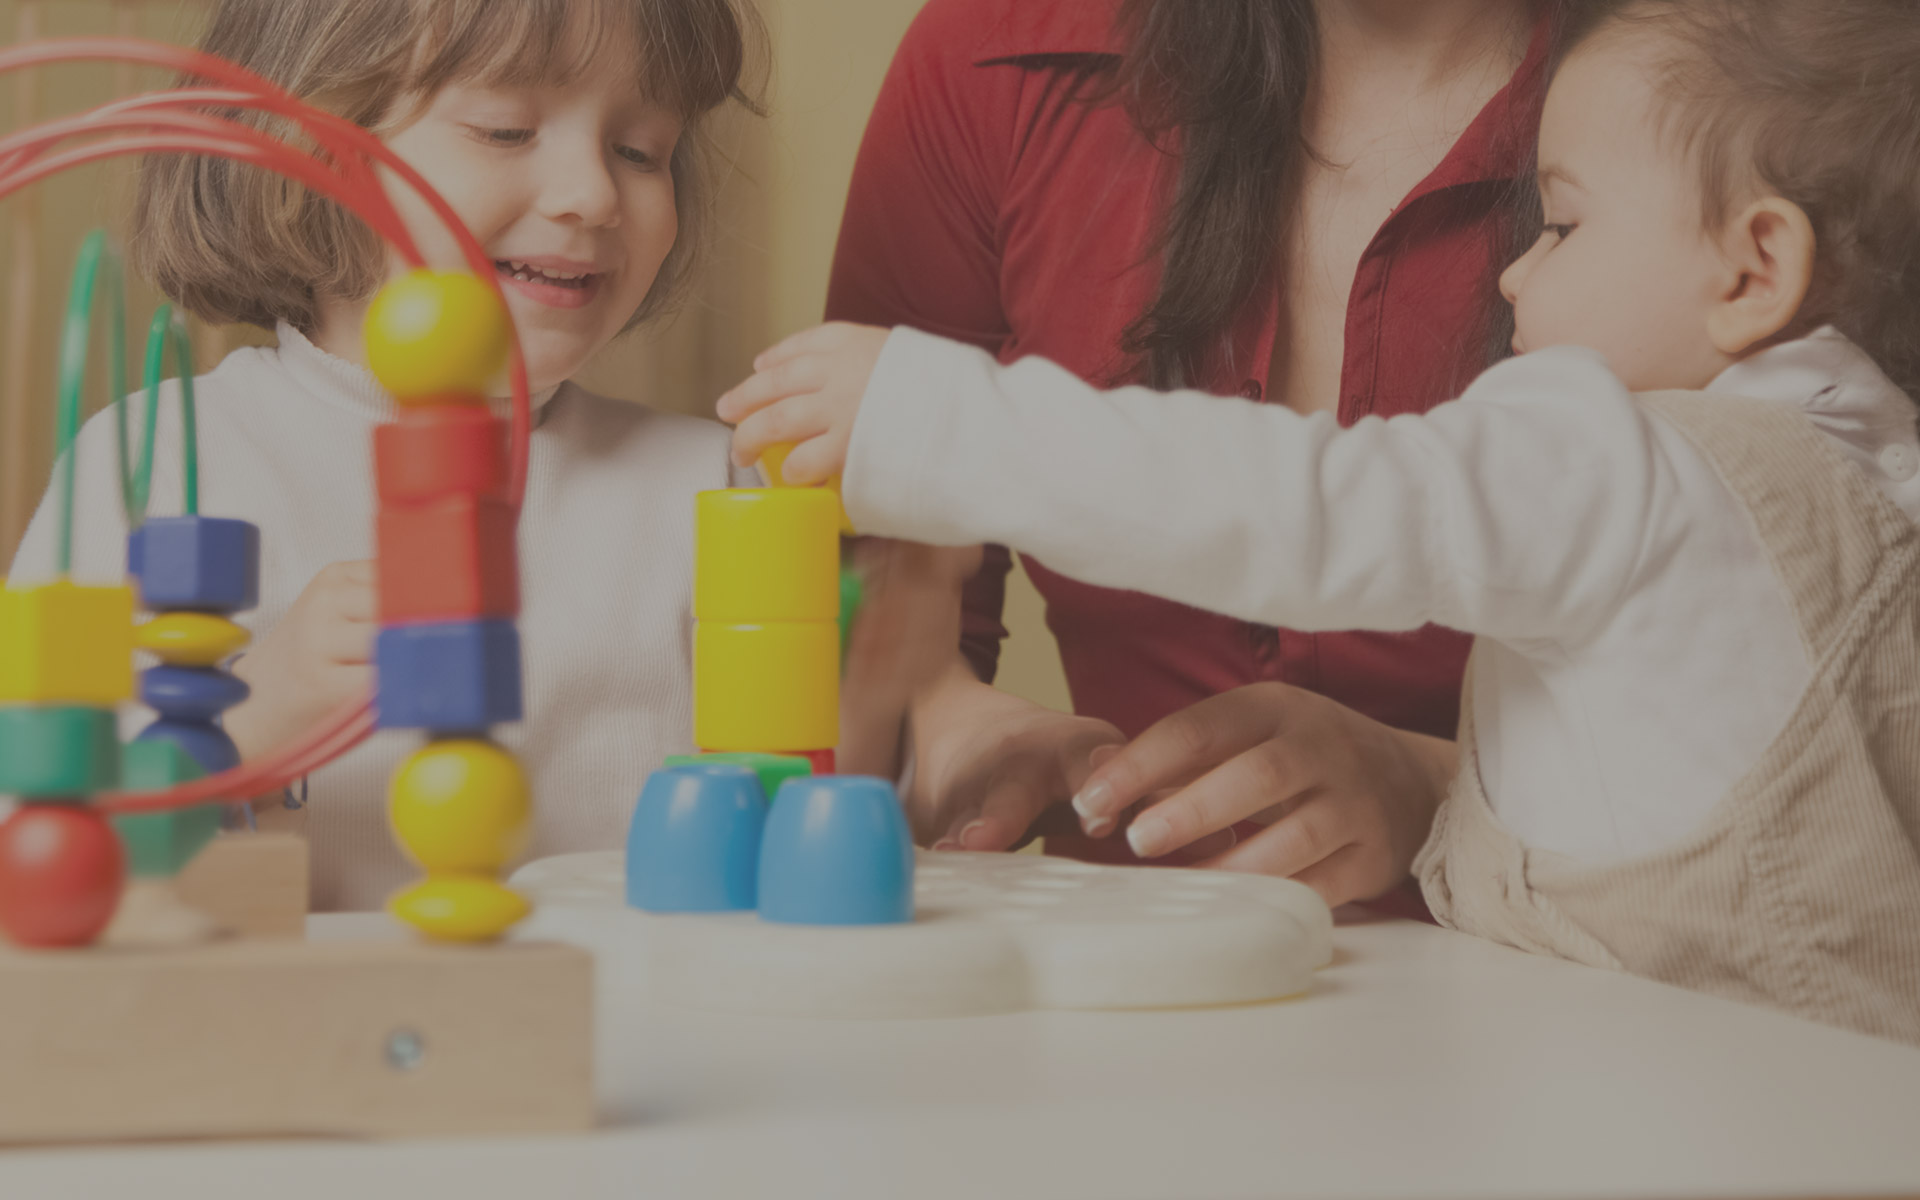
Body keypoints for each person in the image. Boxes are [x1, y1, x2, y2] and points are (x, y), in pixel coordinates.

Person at [721, 0, 1920, 1041]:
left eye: (1558, 229)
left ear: (1756, 269)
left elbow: (1317, 508)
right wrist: (947, 714)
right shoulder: (1871, 462)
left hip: (1611, 1067)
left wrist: (934, 421)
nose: (1516, 277)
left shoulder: (1611, 448)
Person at [7, 0, 762, 910]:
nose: (593, 195)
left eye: (641, 151)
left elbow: (818, 802)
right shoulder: (157, 463)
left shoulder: (715, 487)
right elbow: (42, 842)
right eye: (506, 129)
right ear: (310, 144)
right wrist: (250, 715)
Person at [823, 0, 1566, 908]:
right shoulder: (995, 53)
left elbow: (1726, 765)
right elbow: (871, 623)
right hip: (1126, 966)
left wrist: (1443, 795)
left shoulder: (1706, 96)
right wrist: (954, 728)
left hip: (1561, 975)